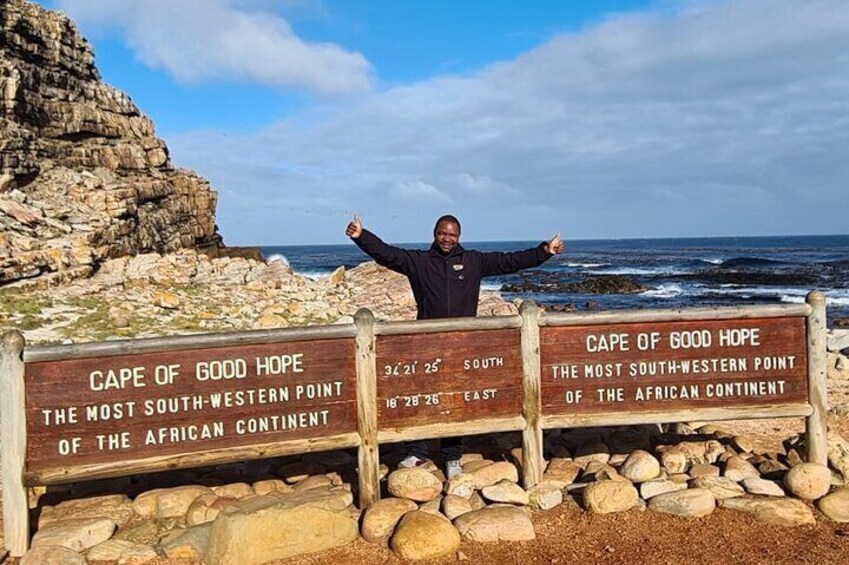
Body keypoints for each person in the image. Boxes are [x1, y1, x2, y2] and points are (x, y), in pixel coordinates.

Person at [346, 214, 564, 477]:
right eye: (442, 233)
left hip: (462, 344)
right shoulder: (419, 262)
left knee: (456, 400)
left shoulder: (473, 261)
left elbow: (510, 261)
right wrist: (361, 235)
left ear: (458, 237)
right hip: (427, 343)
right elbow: (387, 254)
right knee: (426, 399)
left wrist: (544, 251)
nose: (447, 239)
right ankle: (417, 452)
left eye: (452, 235)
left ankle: (452, 458)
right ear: (435, 233)